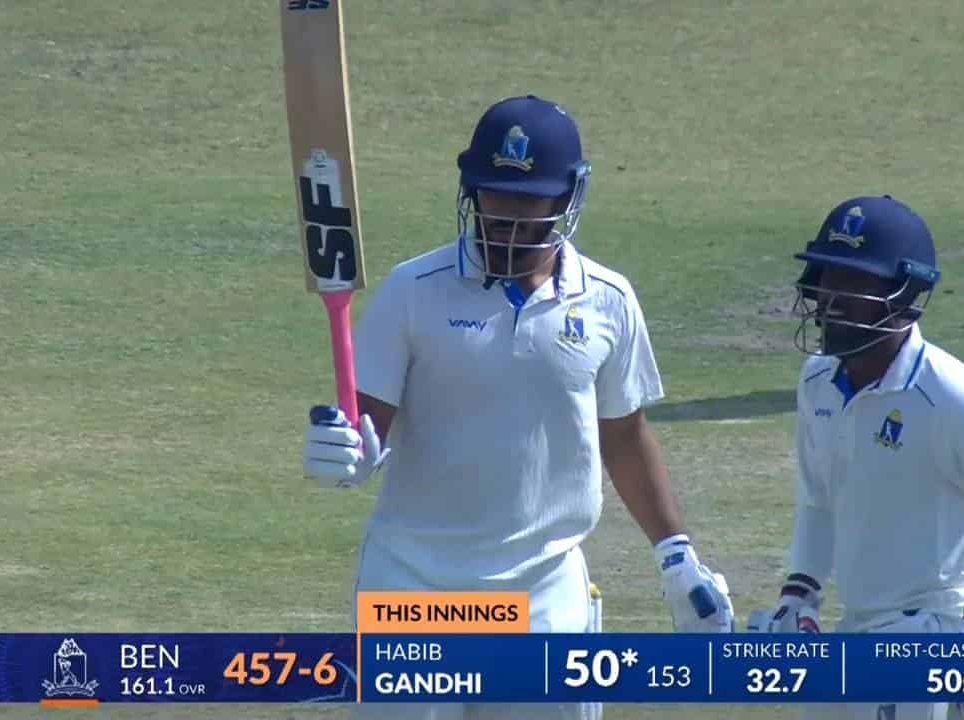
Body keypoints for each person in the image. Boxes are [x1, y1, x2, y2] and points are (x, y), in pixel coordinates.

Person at [302, 95, 733, 719]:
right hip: (415, 583)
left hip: (542, 589)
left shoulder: (608, 300)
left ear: (569, 196)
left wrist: (676, 556)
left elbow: (623, 436)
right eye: (494, 194)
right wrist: (348, 454)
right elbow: (369, 428)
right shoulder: (412, 291)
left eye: (528, 200)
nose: (505, 215)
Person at [750, 195, 964, 720]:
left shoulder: (954, 400)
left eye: (854, 282)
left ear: (905, 296)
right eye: (828, 277)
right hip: (855, 631)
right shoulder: (818, 382)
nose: (831, 298)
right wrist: (798, 595)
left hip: (932, 637)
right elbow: (819, 503)